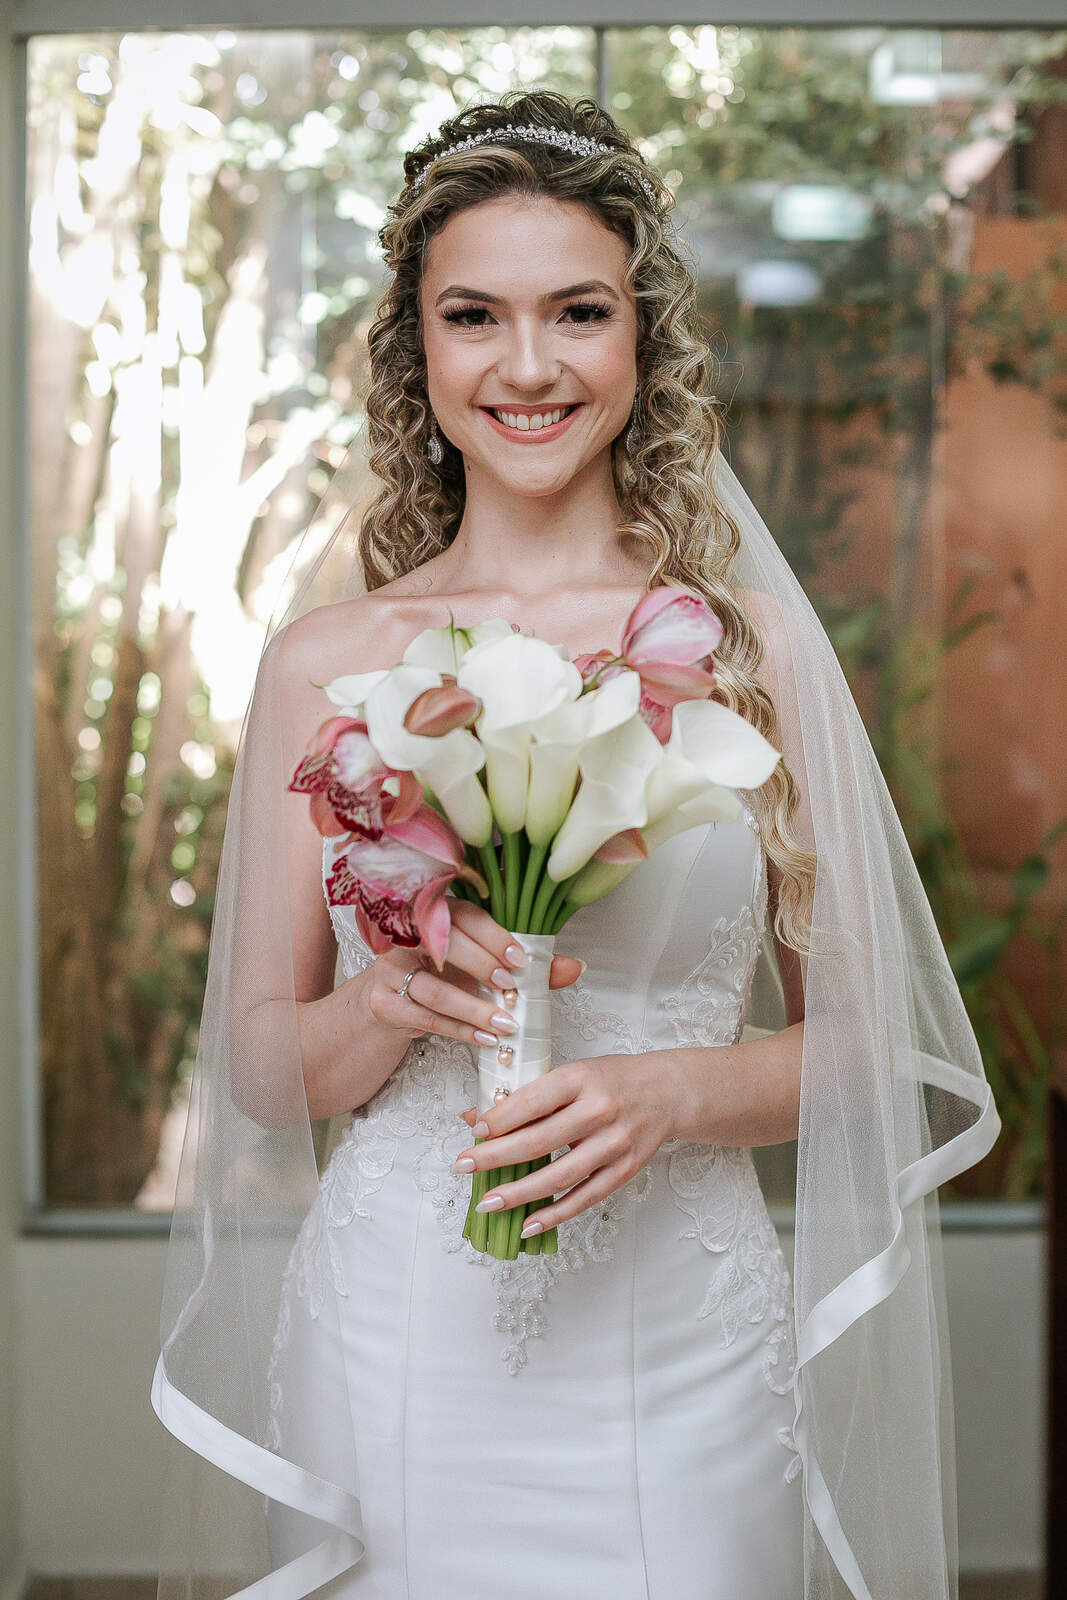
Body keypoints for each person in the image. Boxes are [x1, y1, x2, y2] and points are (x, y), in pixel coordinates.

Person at [152, 91, 1000, 1600]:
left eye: (579, 313)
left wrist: (671, 1090)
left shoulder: (746, 657)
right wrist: (388, 998)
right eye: (475, 315)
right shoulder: (323, 661)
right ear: (418, 351)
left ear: (643, 345)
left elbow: (868, 1051)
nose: (529, 366)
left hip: (681, 1335)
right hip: (401, 1333)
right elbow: (263, 1073)